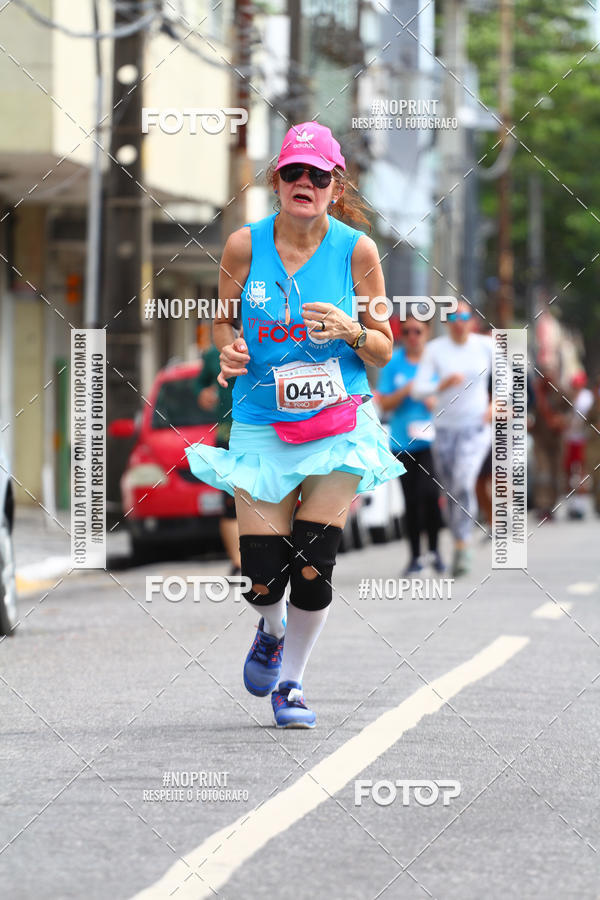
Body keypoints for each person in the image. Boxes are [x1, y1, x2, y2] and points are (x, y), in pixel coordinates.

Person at [185, 122, 404, 728]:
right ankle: (271, 628)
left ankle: (292, 685)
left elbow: (385, 348)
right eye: (292, 172)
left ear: (336, 187)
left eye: (317, 175)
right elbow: (222, 322)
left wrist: (352, 330)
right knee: (262, 575)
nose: (303, 182)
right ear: (276, 181)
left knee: (313, 563)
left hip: (338, 421)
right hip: (261, 420)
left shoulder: (356, 251)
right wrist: (228, 350)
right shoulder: (241, 246)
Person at [412, 302, 493, 577]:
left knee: (464, 480)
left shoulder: (485, 346)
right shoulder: (435, 349)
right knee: (449, 490)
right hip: (444, 428)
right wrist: (440, 386)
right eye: (453, 317)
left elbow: (510, 380)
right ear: (446, 322)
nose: (459, 322)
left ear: (471, 320)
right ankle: (459, 538)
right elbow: (418, 391)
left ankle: (463, 543)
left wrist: (496, 405)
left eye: (464, 317)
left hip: (475, 428)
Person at [377, 313, 445, 575]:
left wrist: (434, 400)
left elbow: (449, 397)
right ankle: (415, 556)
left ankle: (436, 552)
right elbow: (384, 403)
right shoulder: (394, 363)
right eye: (406, 332)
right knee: (411, 500)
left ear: (427, 333)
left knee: (430, 495)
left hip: (431, 440)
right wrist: (409, 390)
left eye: (418, 331)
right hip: (403, 442)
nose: (412, 337)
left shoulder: (435, 363)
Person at [195, 343, 240, 571]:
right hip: (227, 434)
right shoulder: (214, 354)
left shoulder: (268, 339)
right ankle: (238, 562)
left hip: (266, 430)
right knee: (231, 499)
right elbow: (200, 383)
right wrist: (202, 393)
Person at [531, 365, 569, 521]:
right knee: (543, 473)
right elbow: (527, 411)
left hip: (556, 439)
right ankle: (543, 506)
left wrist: (561, 420)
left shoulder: (560, 392)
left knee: (555, 474)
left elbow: (571, 410)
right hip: (540, 440)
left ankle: (551, 505)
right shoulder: (534, 393)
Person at [564, 371, 594, 519]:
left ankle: (580, 504)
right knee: (570, 471)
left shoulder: (587, 398)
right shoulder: (568, 396)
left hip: (582, 439)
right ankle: (572, 503)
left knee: (581, 471)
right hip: (570, 439)